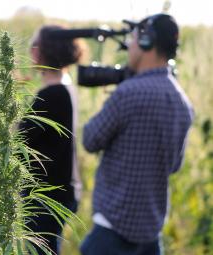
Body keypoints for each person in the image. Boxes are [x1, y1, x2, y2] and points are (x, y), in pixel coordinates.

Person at [80, 14, 194, 255]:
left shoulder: (127, 93)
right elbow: (174, 165)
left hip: (111, 233)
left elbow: (90, 139)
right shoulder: (183, 103)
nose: (129, 47)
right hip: (150, 237)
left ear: (146, 43)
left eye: (133, 40)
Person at [19, 25, 82, 254]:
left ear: (40, 52)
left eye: (33, 46)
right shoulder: (66, 88)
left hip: (46, 195)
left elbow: (18, 142)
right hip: (62, 190)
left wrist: (13, 96)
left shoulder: (51, 94)